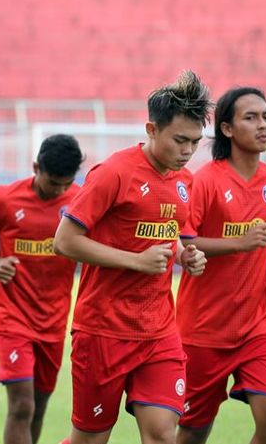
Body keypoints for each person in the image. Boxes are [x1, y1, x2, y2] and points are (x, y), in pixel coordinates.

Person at [53, 70, 211, 444]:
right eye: (179, 140)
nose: (187, 151)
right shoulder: (113, 174)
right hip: (102, 330)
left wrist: (186, 257)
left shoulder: (184, 182)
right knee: (90, 439)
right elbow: (65, 241)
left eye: (194, 142)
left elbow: (166, 241)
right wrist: (136, 261)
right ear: (152, 129)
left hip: (159, 331)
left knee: (161, 434)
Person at [175, 87, 266, 444]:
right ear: (227, 129)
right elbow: (186, 242)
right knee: (192, 433)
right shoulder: (205, 180)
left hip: (256, 326)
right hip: (203, 329)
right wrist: (240, 244)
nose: (263, 125)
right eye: (250, 118)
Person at [0, 134, 83, 444]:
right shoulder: (6, 198)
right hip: (12, 315)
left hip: (54, 319)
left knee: (38, 407)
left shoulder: (79, 200)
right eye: (53, 183)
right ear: (36, 167)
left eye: (66, 184)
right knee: (22, 404)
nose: (60, 191)